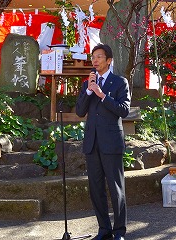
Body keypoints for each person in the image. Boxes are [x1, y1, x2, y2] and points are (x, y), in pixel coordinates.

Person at [76, 43, 130, 240]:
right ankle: (104, 229)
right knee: (95, 188)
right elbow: (80, 111)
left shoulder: (119, 82)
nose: (95, 60)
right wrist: (90, 92)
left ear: (109, 60)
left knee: (116, 188)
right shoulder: (87, 84)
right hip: (92, 142)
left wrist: (102, 95)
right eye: (93, 57)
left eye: (99, 57)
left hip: (111, 142)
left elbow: (123, 110)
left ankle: (119, 231)